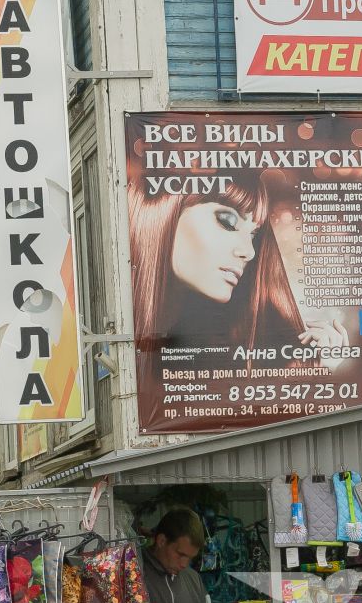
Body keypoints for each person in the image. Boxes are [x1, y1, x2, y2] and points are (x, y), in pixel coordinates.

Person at [128, 169, 347, 429]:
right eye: (228, 222)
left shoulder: (226, 353)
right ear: (163, 211)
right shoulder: (136, 358)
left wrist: (321, 371)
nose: (248, 252)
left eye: (253, 235)